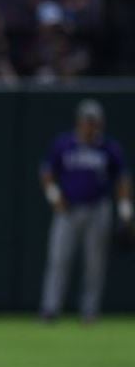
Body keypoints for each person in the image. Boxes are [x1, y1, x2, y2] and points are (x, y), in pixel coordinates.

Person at [39, 99, 131, 324]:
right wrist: (53, 196)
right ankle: (50, 309)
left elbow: (122, 179)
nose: (91, 126)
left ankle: (89, 312)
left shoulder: (109, 148)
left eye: (95, 122)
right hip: (68, 209)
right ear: (79, 121)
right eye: (87, 121)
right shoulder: (64, 144)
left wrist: (126, 211)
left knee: (94, 264)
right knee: (59, 260)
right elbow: (46, 171)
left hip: (97, 209)